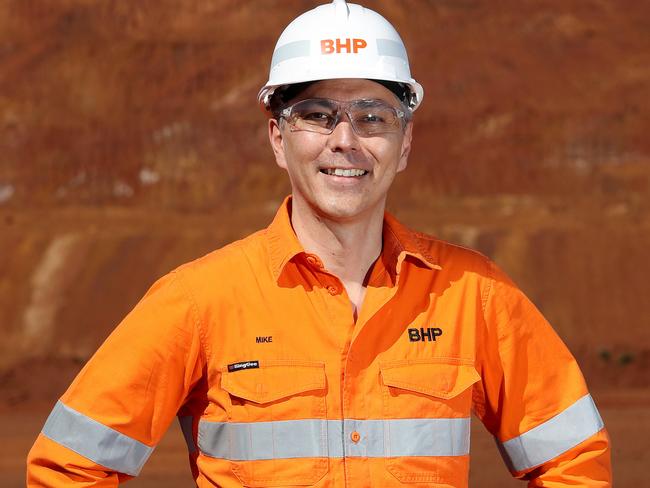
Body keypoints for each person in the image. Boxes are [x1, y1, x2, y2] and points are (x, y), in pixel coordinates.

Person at [27, 0, 611, 486]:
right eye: (317, 114)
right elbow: (67, 469)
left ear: (404, 144)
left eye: (373, 116)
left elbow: (574, 461)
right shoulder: (198, 301)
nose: (345, 140)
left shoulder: (475, 295)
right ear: (278, 139)